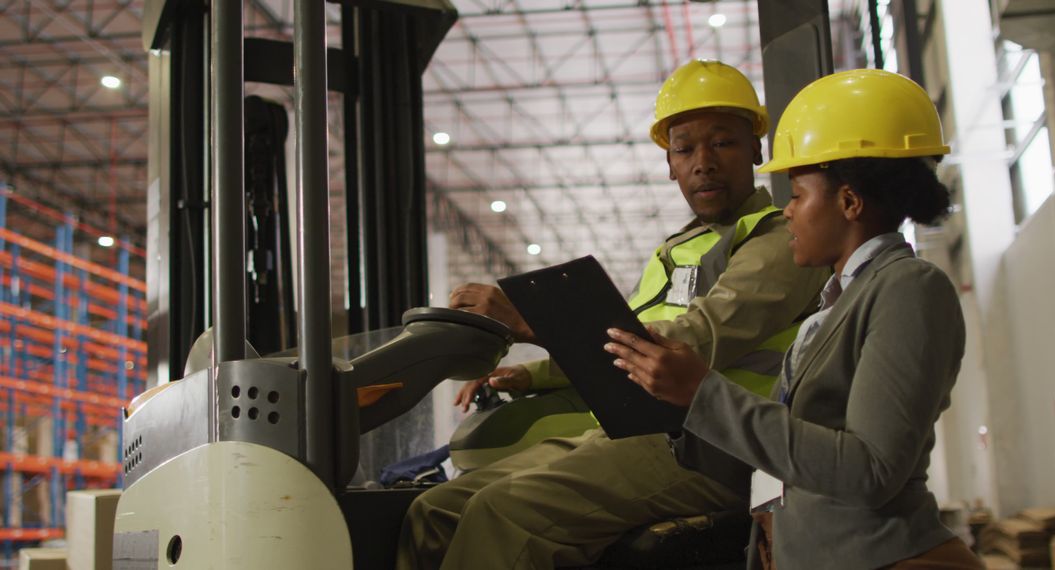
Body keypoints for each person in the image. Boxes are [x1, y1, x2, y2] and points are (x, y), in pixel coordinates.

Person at [395, 60, 828, 570]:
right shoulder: (677, 249)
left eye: (723, 142)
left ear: (757, 149)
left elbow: (691, 339)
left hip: (716, 446)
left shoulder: (776, 240)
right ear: (669, 164)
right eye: (685, 148)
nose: (703, 162)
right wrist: (532, 374)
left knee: (501, 513)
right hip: (637, 433)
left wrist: (535, 322)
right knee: (435, 508)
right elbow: (625, 348)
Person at [605, 69, 983, 569]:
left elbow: (870, 469)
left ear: (848, 201)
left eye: (798, 195)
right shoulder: (830, 310)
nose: (787, 214)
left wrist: (703, 394)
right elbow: (793, 448)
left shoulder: (908, 290)